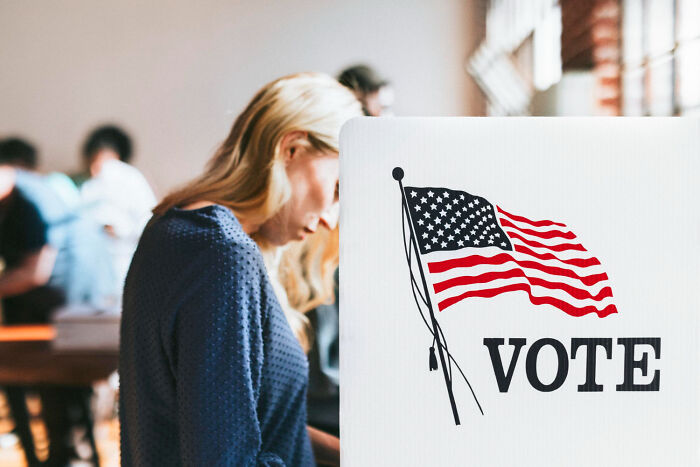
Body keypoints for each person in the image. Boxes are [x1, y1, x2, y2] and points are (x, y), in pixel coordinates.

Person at [119, 72, 362, 466]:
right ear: (292, 148)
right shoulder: (224, 254)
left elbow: (250, 429)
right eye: (336, 188)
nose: (330, 220)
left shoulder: (171, 228)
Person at [0, 163, 115, 466]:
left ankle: (74, 456)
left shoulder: (32, 200)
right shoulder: (14, 199)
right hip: (48, 306)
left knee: (67, 383)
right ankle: (60, 456)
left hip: (69, 302)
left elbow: (35, 272)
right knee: (49, 381)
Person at [77, 125, 157, 289]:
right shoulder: (88, 185)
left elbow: (149, 220)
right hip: (94, 264)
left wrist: (120, 231)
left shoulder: (130, 178)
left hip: (125, 257)